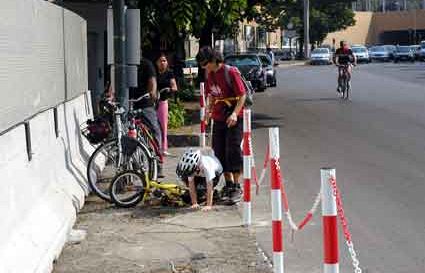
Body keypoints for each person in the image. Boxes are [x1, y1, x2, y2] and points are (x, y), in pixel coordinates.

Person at [196, 46, 246, 204]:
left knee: (233, 150)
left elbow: (242, 95)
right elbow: (211, 94)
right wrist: (209, 111)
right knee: (219, 152)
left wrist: (234, 113)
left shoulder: (230, 72)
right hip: (218, 117)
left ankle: (237, 185)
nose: (204, 68)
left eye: (205, 64)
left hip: (232, 116)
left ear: (212, 60)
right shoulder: (210, 74)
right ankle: (228, 184)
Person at [130, 56, 164, 176]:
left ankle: (159, 162)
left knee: (155, 130)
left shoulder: (146, 64)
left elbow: (152, 82)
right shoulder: (122, 64)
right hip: (128, 103)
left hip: (144, 103)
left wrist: (152, 93)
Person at [155, 53, 178, 156]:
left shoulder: (169, 73)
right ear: (156, 63)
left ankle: (163, 148)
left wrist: (169, 89)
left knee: (163, 125)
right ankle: (154, 146)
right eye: (161, 61)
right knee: (153, 125)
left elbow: (174, 86)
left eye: (164, 61)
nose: (163, 63)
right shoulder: (154, 73)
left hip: (163, 101)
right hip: (153, 102)